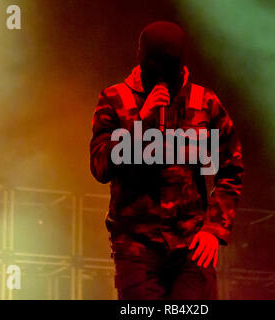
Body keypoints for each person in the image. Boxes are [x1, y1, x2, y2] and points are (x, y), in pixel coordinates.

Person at [90, 21, 244, 299]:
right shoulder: (115, 99)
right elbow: (100, 166)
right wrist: (140, 122)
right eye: (155, 63)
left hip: (191, 246)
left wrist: (213, 229)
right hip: (136, 248)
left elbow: (231, 169)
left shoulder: (204, 103)